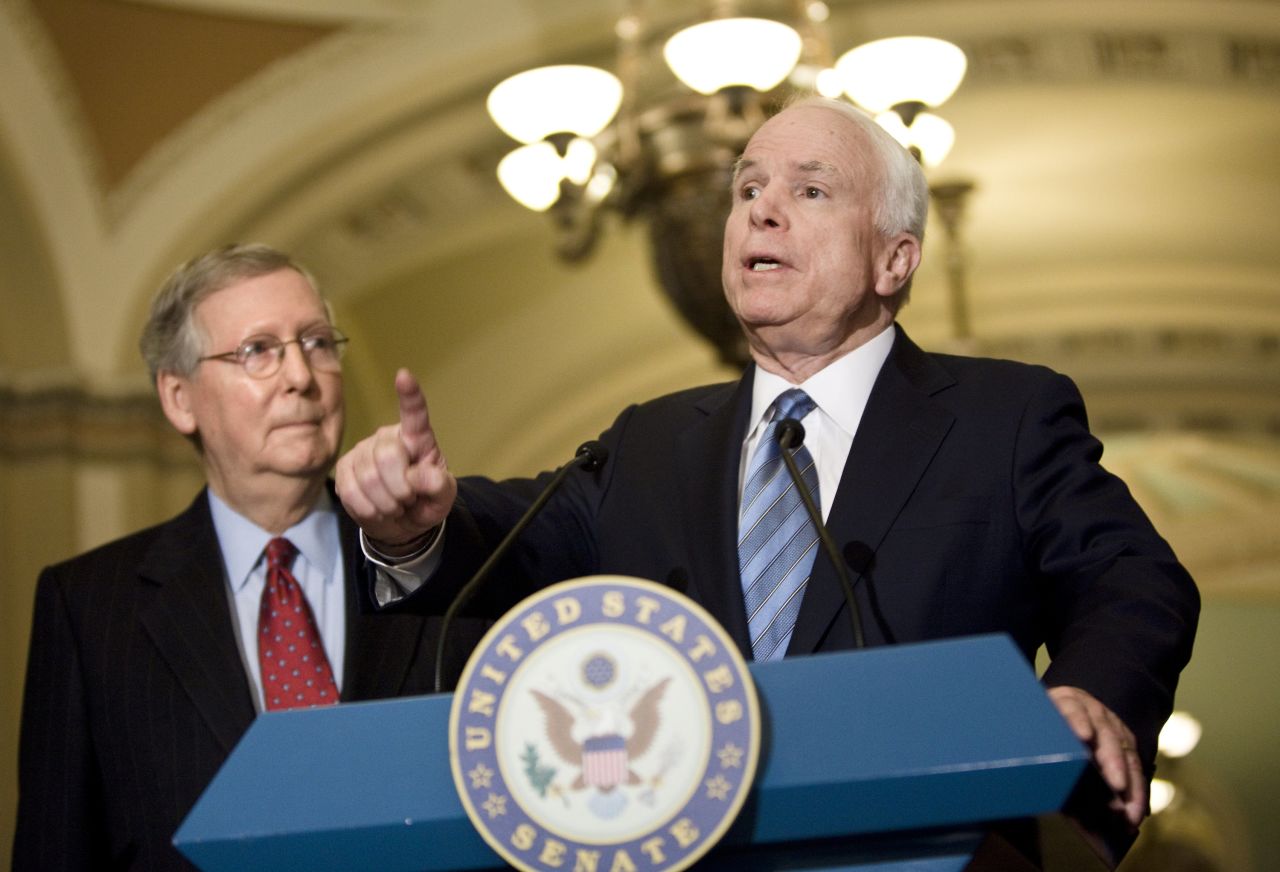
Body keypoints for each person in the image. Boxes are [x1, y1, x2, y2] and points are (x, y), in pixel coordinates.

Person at [335, 98, 1199, 861]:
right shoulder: (651, 440)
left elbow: (1132, 577)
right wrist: (418, 521)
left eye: (810, 191)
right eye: (747, 190)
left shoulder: (1002, 418)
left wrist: (1089, 693)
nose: (761, 213)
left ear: (893, 261)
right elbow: (516, 534)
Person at [12, 244, 483, 872]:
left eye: (316, 342)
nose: (300, 377)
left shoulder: (431, 559)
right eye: (258, 350)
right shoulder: (90, 606)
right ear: (179, 398)